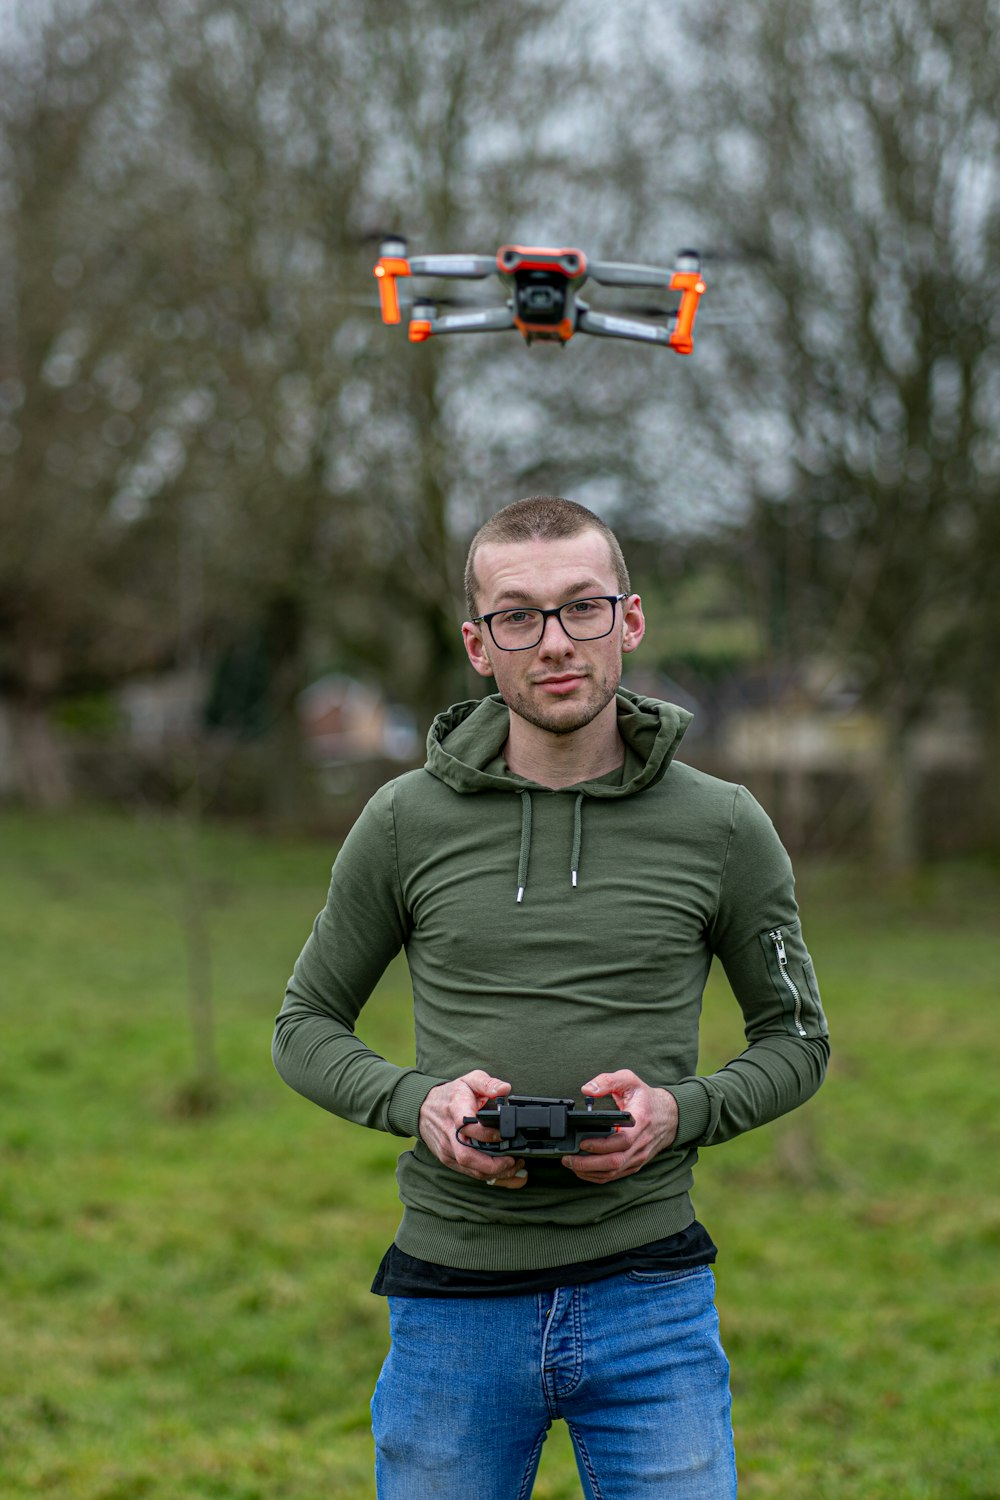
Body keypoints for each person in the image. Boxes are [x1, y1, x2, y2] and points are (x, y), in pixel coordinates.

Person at [272, 495, 829, 1499]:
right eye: (518, 617)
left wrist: (676, 1112)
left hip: (650, 1297)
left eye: (582, 607)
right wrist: (420, 1104)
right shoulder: (402, 821)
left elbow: (795, 1038)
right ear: (478, 645)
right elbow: (303, 1026)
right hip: (451, 1303)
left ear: (631, 620)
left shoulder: (724, 826)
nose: (555, 642)